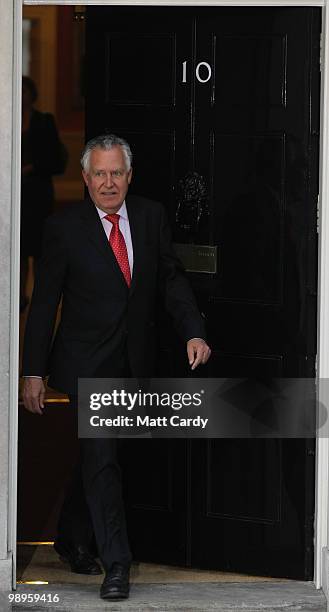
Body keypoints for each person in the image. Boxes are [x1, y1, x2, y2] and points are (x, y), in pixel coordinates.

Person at [22, 134, 211, 601]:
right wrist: (32, 371)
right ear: (85, 179)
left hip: (134, 361)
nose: (108, 183)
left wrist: (193, 330)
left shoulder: (149, 217)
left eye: (116, 173)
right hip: (86, 365)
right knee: (103, 463)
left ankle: (69, 537)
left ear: (129, 176)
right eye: (99, 174)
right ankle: (117, 565)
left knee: (101, 459)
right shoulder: (63, 228)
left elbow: (170, 279)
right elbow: (45, 304)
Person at [20, 76, 67, 311]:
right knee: (17, 249)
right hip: (16, 194)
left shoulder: (44, 121)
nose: (22, 94)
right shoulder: (7, 117)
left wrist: (31, 167)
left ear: (32, 93)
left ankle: (41, 298)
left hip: (38, 193)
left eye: (25, 90)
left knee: (40, 249)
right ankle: (17, 298)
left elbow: (55, 159)